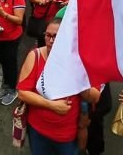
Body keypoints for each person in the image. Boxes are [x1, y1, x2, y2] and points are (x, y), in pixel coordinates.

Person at [17, 18, 101, 154]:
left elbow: (94, 97)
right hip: (38, 131)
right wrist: (51, 105)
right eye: (48, 35)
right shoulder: (35, 56)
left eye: (56, 36)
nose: (51, 40)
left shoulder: (80, 61)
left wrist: (77, 79)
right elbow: (23, 93)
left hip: (66, 135)